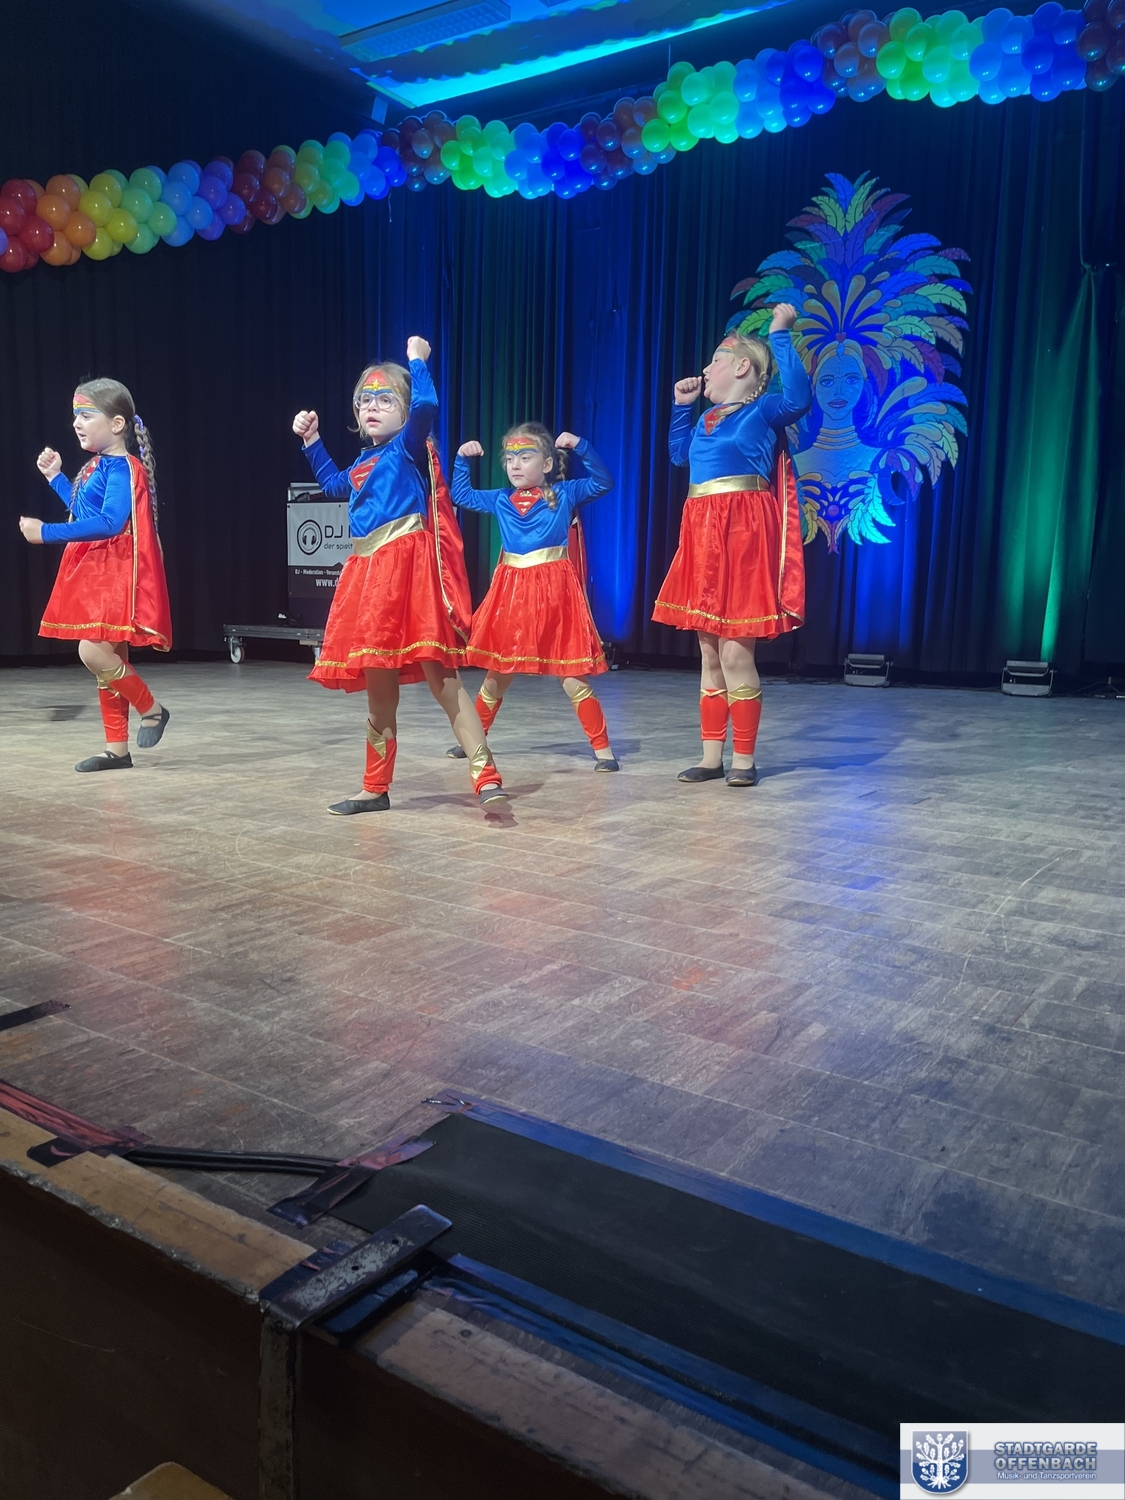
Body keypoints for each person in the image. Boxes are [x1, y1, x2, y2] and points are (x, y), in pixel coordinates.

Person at [292, 337, 506, 814]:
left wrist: (417, 360)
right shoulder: (363, 461)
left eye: (384, 399)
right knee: (379, 692)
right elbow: (333, 485)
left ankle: (485, 774)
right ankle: (375, 787)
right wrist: (312, 442)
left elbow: (427, 404)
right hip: (368, 577)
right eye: (364, 400)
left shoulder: (408, 447)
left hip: (406, 572)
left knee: (442, 680)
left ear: (405, 412)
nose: (371, 406)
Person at [653, 304, 811, 787]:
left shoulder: (763, 410)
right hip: (702, 533)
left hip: (742, 533)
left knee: (736, 653)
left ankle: (743, 759)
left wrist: (780, 335)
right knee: (708, 651)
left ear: (743, 367)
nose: (706, 370)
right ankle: (711, 757)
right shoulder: (707, 418)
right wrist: (681, 407)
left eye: (716, 361)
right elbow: (679, 456)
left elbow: (800, 398)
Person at [18, 379, 172, 772]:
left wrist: (46, 532)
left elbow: (109, 522)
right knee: (109, 659)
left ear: (117, 424)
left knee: (92, 651)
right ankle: (117, 749)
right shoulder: (98, 466)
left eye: (87, 415)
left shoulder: (123, 468)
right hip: (98, 572)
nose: (77, 423)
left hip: (115, 574)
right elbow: (86, 513)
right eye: (76, 416)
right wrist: (56, 478)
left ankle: (151, 708)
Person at [451, 424, 618, 770]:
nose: (515, 465)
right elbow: (461, 495)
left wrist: (582, 446)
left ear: (547, 464)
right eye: (510, 458)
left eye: (525, 457)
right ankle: (473, 739)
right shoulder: (501, 498)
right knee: (498, 673)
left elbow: (603, 482)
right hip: (512, 594)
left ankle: (603, 750)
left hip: (555, 593)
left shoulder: (565, 493)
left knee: (572, 675)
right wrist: (461, 461)